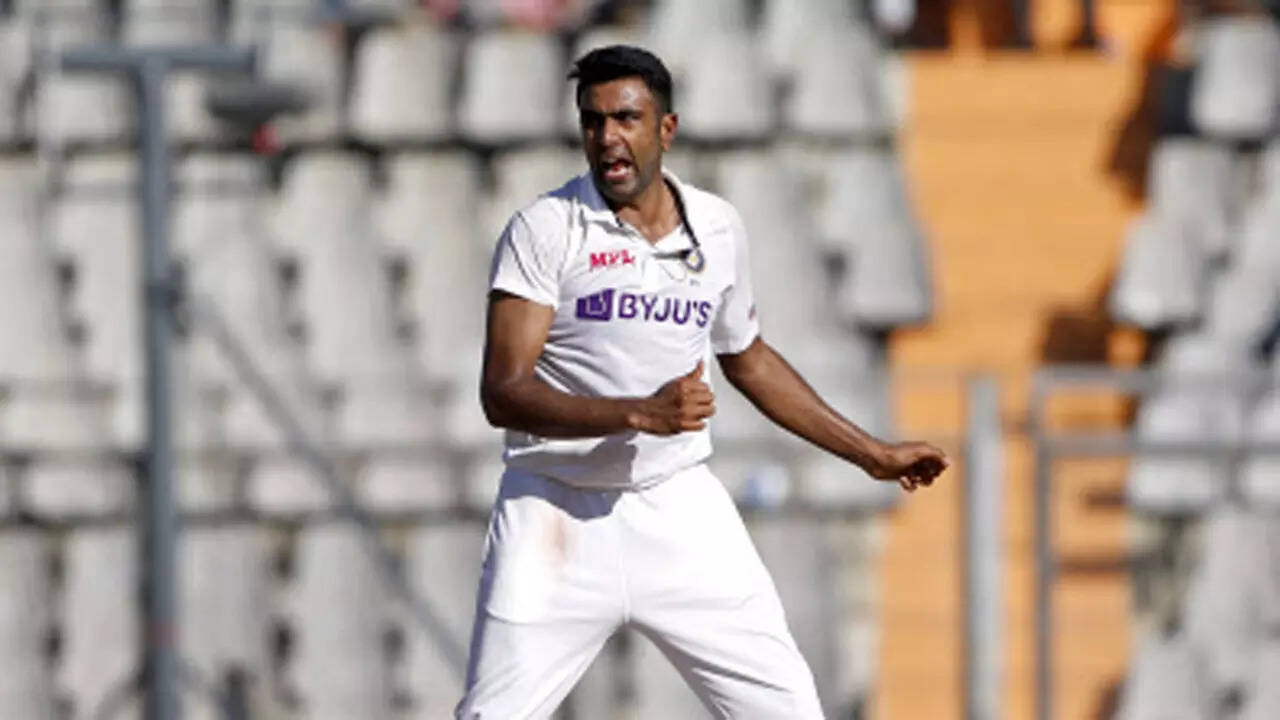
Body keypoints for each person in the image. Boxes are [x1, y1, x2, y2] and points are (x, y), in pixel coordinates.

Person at [457, 45, 949, 719]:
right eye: (593, 121)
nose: (607, 137)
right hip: (554, 514)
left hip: (677, 507)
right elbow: (503, 392)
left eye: (626, 118)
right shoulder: (544, 229)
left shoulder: (717, 227)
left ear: (667, 129)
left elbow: (747, 358)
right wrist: (638, 413)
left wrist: (872, 453)